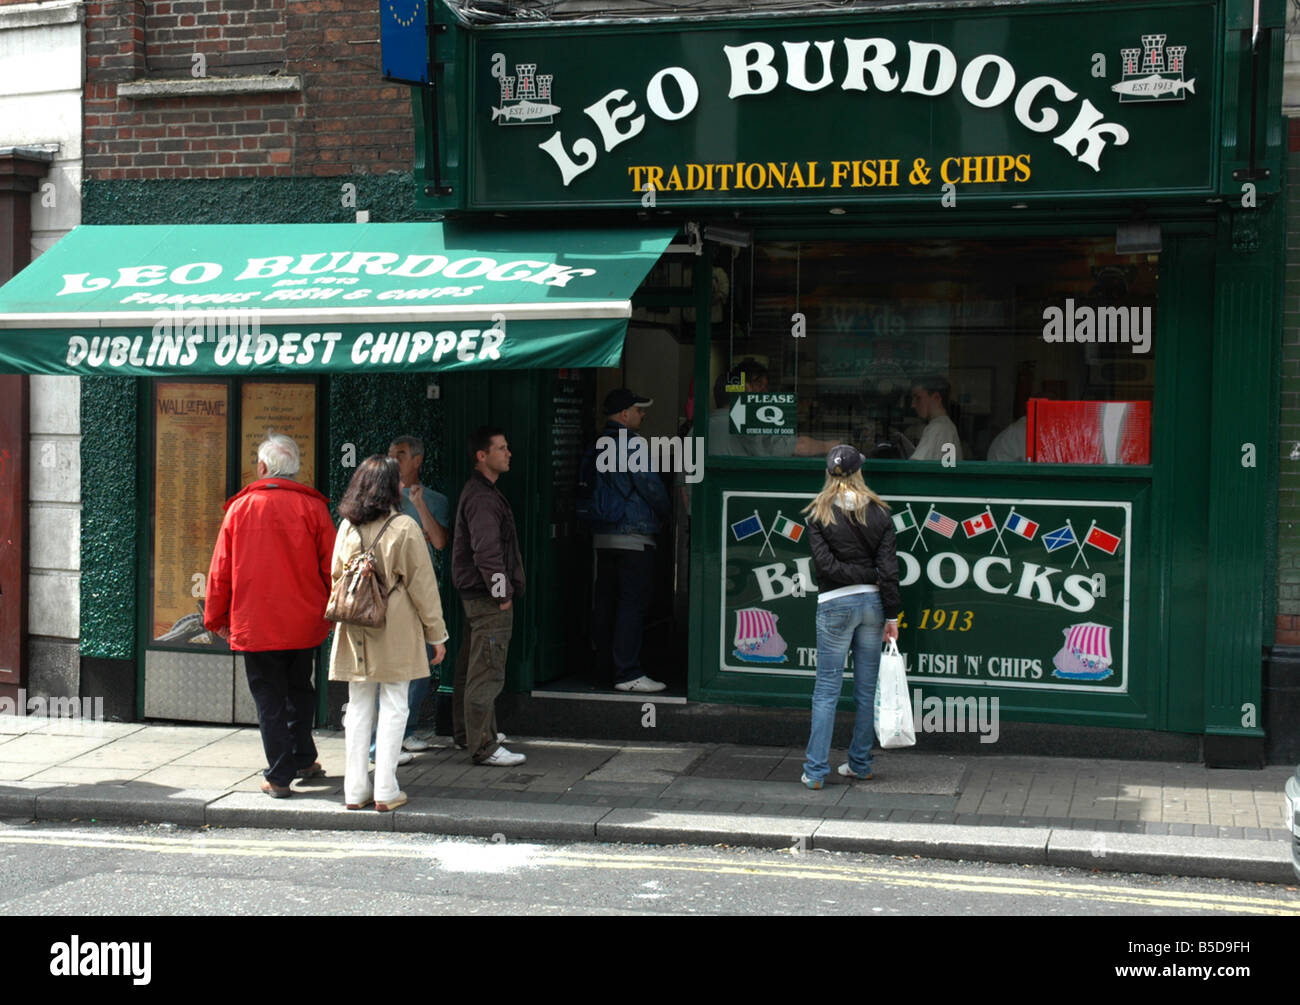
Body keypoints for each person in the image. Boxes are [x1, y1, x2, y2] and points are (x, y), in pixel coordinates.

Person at [204, 434, 336, 799]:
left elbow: (220, 571)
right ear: (295, 470)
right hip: (304, 622)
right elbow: (332, 568)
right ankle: (304, 758)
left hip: (256, 623)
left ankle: (280, 775)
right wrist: (334, 612)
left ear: (262, 468)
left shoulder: (241, 508)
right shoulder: (314, 509)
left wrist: (214, 618)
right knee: (300, 690)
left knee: (269, 698)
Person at [329, 455, 448, 813]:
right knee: (395, 702)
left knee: (359, 704)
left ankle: (355, 790)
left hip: (354, 622)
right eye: (397, 482)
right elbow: (423, 586)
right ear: (388, 488)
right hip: (394, 622)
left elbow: (336, 575)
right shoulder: (404, 527)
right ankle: (385, 787)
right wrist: (436, 634)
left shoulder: (347, 527)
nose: (401, 487)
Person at [800, 445, 900, 790]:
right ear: (859, 473)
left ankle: (815, 772)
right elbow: (889, 571)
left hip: (834, 604)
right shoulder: (880, 515)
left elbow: (825, 567)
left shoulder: (818, 514)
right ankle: (860, 763)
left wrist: (855, 574)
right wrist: (893, 615)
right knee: (866, 690)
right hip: (873, 606)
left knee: (826, 690)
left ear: (829, 474)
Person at [451, 426, 527, 766]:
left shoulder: (481, 492)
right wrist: (502, 594)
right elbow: (487, 553)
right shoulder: (482, 498)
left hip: (475, 595)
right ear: (482, 456)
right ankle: (483, 745)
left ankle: (468, 734)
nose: (508, 453)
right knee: (486, 670)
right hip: (486, 598)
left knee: (471, 667)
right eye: (502, 448)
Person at [591, 388, 671, 693]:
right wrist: (666, 513)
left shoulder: (598, 442)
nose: (643, 414)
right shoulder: (632, 444)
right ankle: (628, 673)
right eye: (639, 409)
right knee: (631, 605)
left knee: (607, 603)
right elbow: (651, 486)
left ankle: (603, 670)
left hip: (603, 535)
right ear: (624, 414)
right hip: (633, 536)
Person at [385, 434, 450, 757]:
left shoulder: (434, 500)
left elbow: (439, 542)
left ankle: (406, 732)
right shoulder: (379, 498)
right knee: (391, 671)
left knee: (422, 667)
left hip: (421, 594)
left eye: (400, 455)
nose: (394, 461)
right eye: (391, 455)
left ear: (417, 460)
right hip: (387, 596)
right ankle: (384, 742)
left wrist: (420, 503)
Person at [707, 358, 838, 457]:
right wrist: (830, 446)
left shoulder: (698, 429)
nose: (764, 392)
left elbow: (687, 481)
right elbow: (799, 447)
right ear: (743, 389)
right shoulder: (749, 426)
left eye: (765, 387)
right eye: (757, 385)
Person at [901, 375, 962, 461]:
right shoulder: (947, 427)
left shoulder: (937, 428)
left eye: (918, 398)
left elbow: (916, 466)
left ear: (936, 397)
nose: (913, 405)